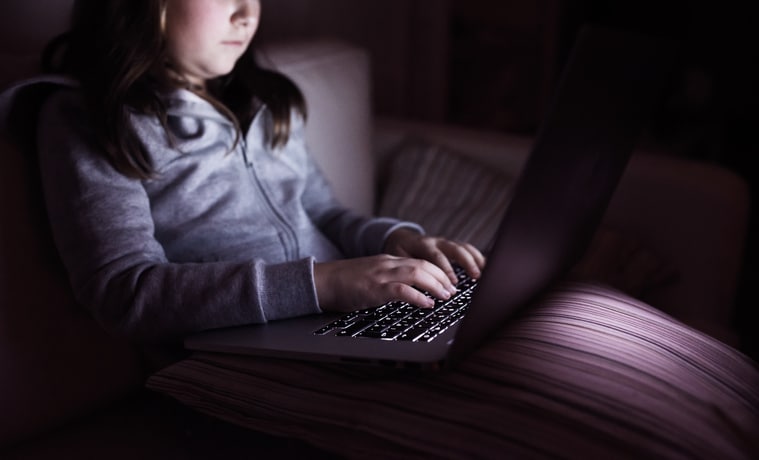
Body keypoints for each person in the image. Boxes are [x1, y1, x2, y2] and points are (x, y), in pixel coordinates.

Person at [19, 0, 485, 345]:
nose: (247, 13)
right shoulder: (90, 119)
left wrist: (391, 241)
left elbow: (321, 211)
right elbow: (123, 290)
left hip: (334, 322)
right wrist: (323, 284)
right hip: (237, 350)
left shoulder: (266, 100)